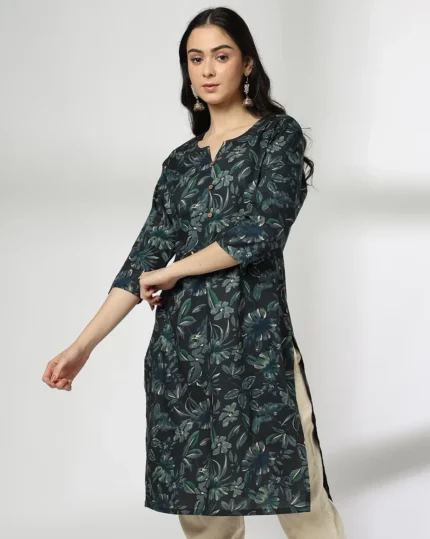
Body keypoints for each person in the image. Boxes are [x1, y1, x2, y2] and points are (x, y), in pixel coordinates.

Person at [42, 6, 346, 539]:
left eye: (221, 56)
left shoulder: (277, 138)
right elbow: (142, 260)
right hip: (182, 358)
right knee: (204, 519)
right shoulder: (180, 163)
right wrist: (81, 347)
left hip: (257, 352)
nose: (207, 70)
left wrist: (175, 270)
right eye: (195, 58)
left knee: (303, 501)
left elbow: (261, 231)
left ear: (247, 63)